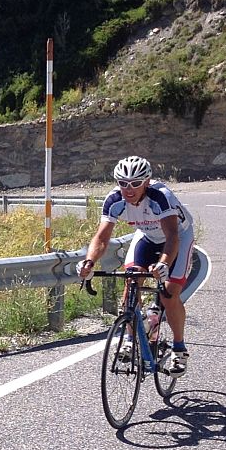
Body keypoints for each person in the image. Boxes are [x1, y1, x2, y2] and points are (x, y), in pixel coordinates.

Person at [76, 156, 195, 377]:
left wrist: (163, 264)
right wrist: (89, 261)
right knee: (131, 281)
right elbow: (102, 238)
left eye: (135, 183)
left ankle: (179, 349)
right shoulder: (114, 200)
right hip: (147, 236)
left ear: (147, 182)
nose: (128, 189)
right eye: (123, 183)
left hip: (179, 237)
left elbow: (172, 237)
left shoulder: (161, 196)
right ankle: (131, 339)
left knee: (169, 294)